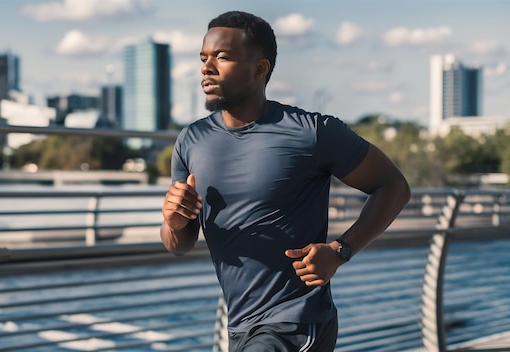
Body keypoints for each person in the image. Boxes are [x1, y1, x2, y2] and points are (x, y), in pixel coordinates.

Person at [160, 10, 411, 352]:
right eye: (203, 58)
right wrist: (174, 222)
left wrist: (340, 251)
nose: (207, 67)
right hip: (241, 325)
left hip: (297, 321)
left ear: (260, 69)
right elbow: (180, 244)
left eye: (222, 57)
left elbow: (393, 186)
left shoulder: (312, 133)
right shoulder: (191, 140)